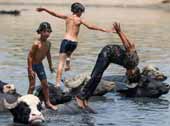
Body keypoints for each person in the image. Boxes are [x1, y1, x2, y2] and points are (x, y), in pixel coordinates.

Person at [36, 2, 114, 87]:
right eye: (81, 11)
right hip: (74, 43)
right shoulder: (80, 20)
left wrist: (44, 9)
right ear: (78, 11)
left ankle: (58, 83)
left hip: (66, 41)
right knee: (68, 54)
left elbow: (54, 14)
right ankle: (68, 61)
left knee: (60, 63)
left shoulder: (67, 17)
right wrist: (104, 29)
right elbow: (90, 26)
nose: (81, 13)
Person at [76, 22, 140, 109]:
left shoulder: (133, 63)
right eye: (128, 75)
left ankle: (86, 99)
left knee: (97, 78)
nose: (126, 74)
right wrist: (120, 32)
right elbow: (128, 46)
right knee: (95, 76)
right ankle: (80, 97)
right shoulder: (131, 62)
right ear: (132, 73)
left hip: (110, 58)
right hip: (107, 53)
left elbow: (132, 46)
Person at [27, 22, 57, 110]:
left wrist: (51, 65)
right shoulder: (36, 44)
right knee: (32, 86)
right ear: (40, 32)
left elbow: (48, 54)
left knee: (45, 85)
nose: (46, 34)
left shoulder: (48, 43)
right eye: (44, 31)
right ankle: (27, 102)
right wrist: (30, 69)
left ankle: (48, 103)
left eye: (48, 31)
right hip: (32, 65)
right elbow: (30, 56)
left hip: (40, 65)